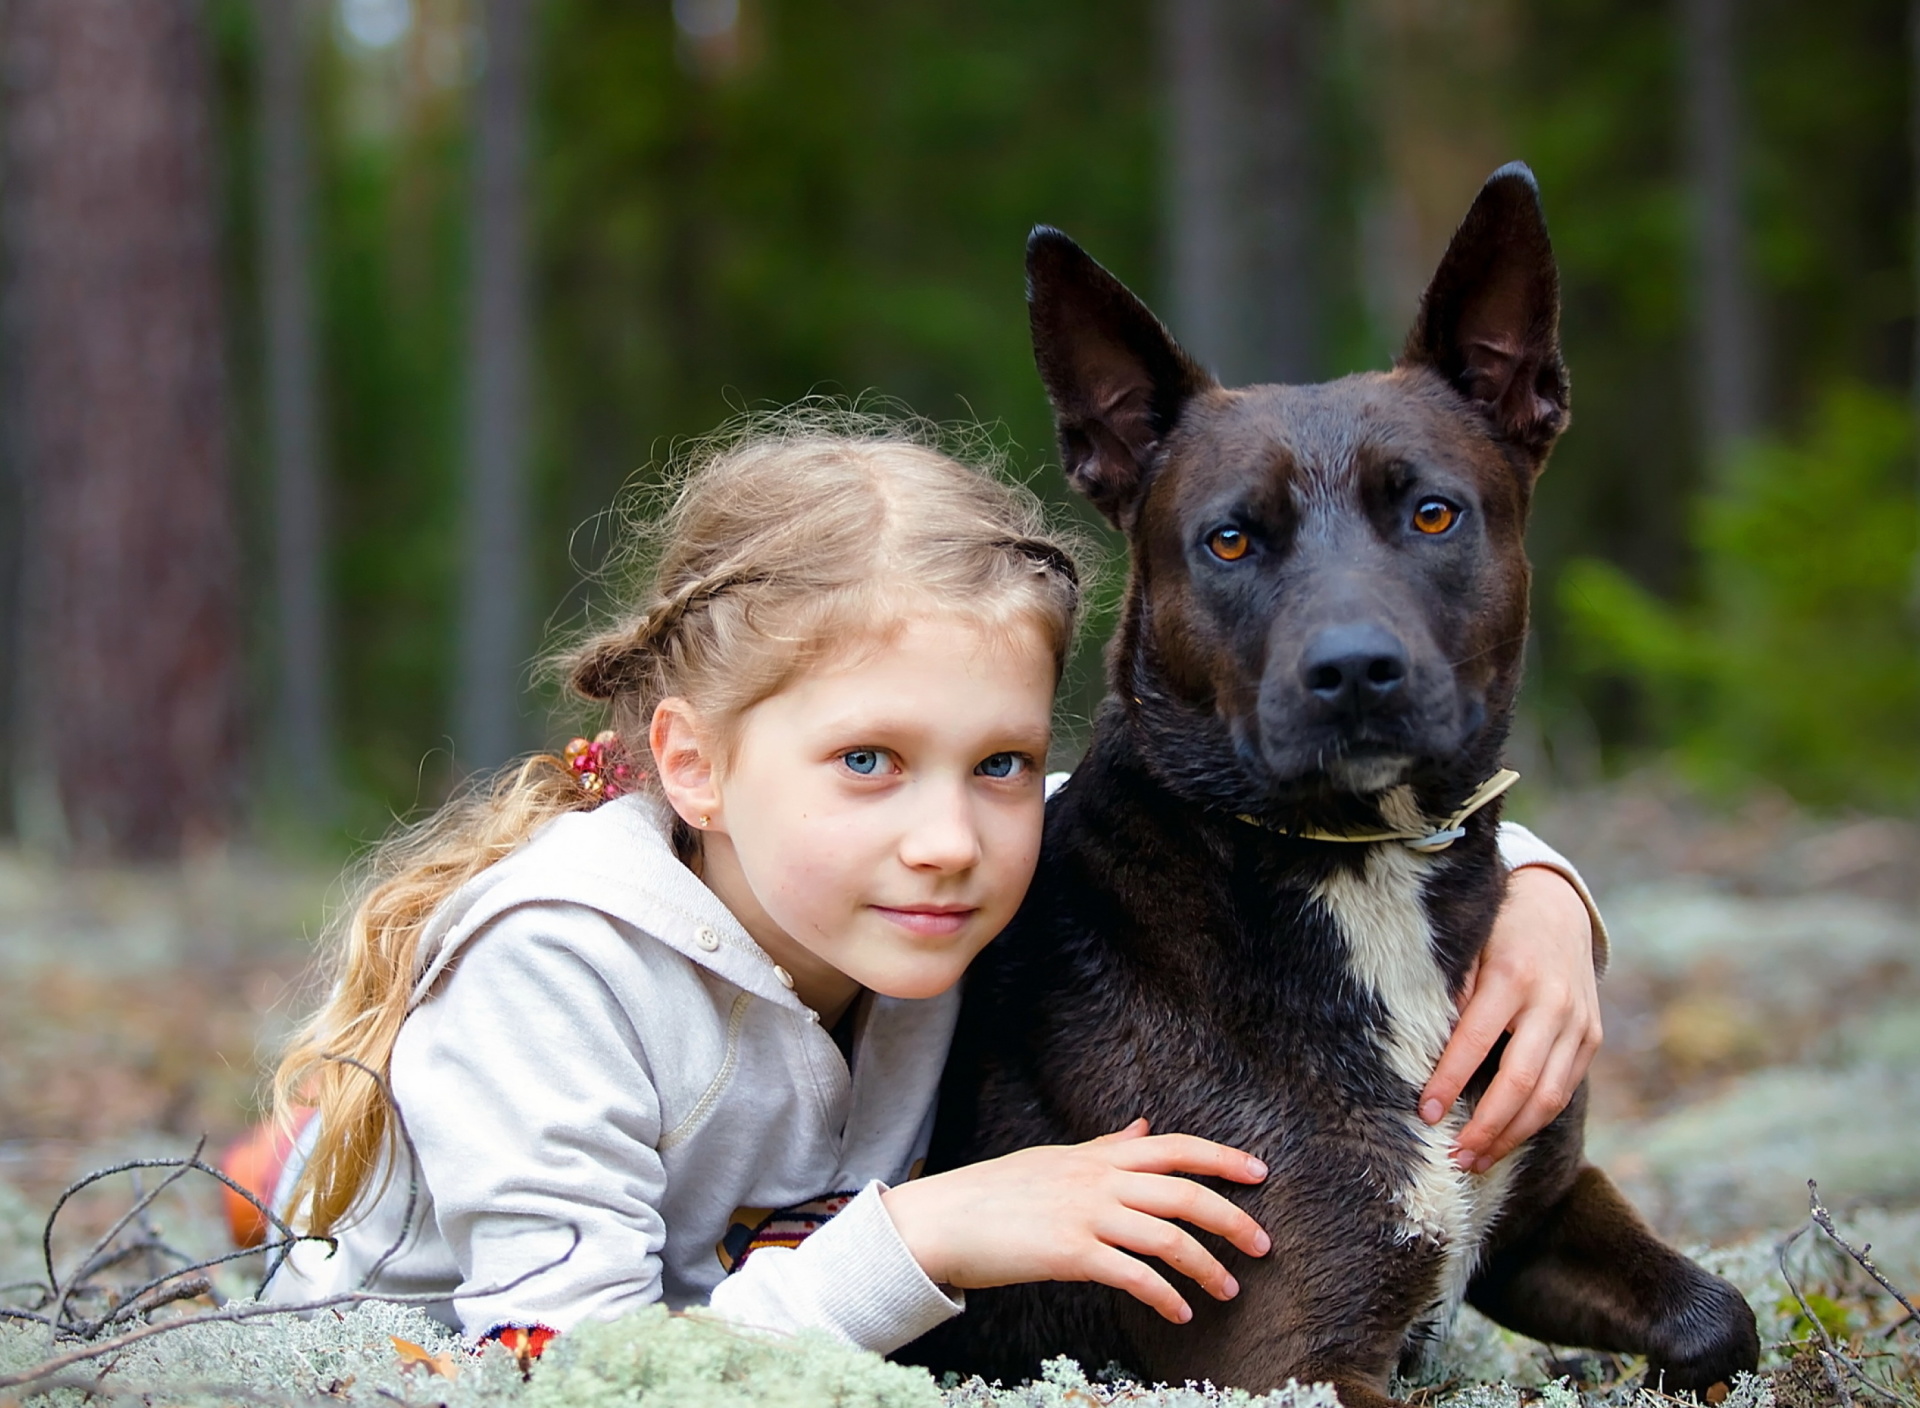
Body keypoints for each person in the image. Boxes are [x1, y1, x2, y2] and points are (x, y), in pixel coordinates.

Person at [257, 413, 1607, 1358]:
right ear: (696, 765)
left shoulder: (935, 876)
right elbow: (564, 1368)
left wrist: (1543, 893)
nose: (950, 837)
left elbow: (1226, 816)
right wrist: (923, 1234)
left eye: (1003, 760)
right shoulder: (559, 975)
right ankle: (320, 1166)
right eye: (867, 760)